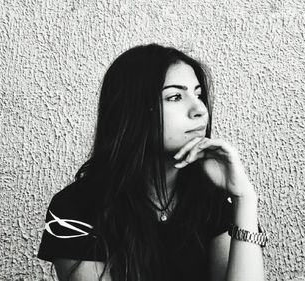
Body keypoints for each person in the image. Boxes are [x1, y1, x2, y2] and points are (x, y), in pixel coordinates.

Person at [37, 43, 267, 281]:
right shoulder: (76, 207)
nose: (200, 109)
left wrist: (244, 198)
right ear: (133, 111)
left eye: (198, 95)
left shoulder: (212, 196)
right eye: (175, 96)